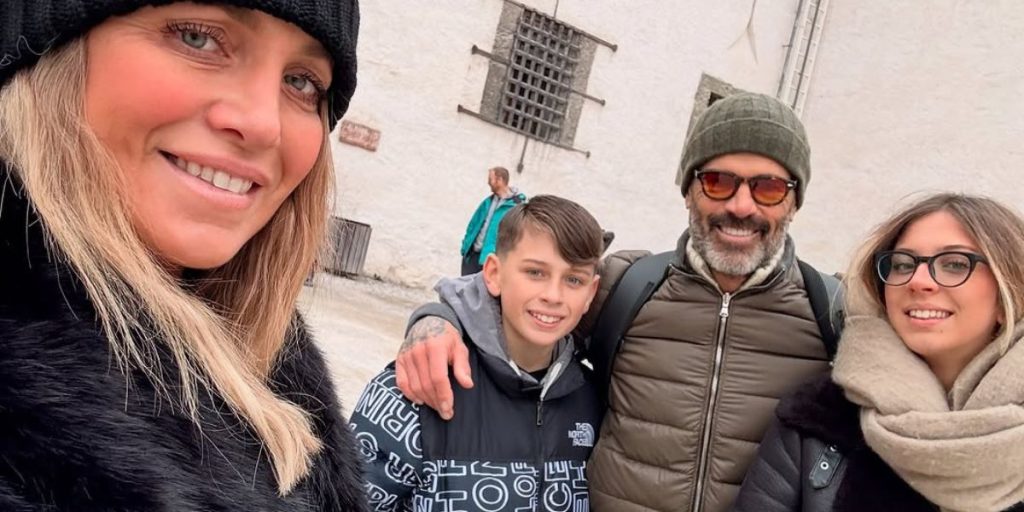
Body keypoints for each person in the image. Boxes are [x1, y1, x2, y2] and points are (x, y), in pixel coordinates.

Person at [0, 2, 367, 510]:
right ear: (52, 50)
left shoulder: (271, 363)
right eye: (197, 38)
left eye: (302, 82)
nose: (264, 125)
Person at [396, 92, 838, 511]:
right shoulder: (627, 285)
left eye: (768, 188)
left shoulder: (833, 312)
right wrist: (435, 320)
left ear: (793, 202)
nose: (741, 206)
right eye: (718, 181)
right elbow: (507, 301)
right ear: (689, 190)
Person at [734, 193, 1024, 512]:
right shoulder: (817, 418)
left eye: (955, 264)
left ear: (1009, 290)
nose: (918, 281)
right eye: (902, 264)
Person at [350, 195, 604, 511]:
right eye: (535, 273)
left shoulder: (595, 399)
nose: (553, 295)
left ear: (591, 292)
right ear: (494, 274)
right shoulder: (419, 383)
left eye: (574, 279)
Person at [460, 166, 526, 275]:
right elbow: (472, 225)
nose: (488, 182)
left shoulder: (516, 206)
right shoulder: (487, 202)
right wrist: (465, 247)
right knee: (464, 285)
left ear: (499, 180)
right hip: (472, 257)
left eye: (490, 179)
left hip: (490, 261)